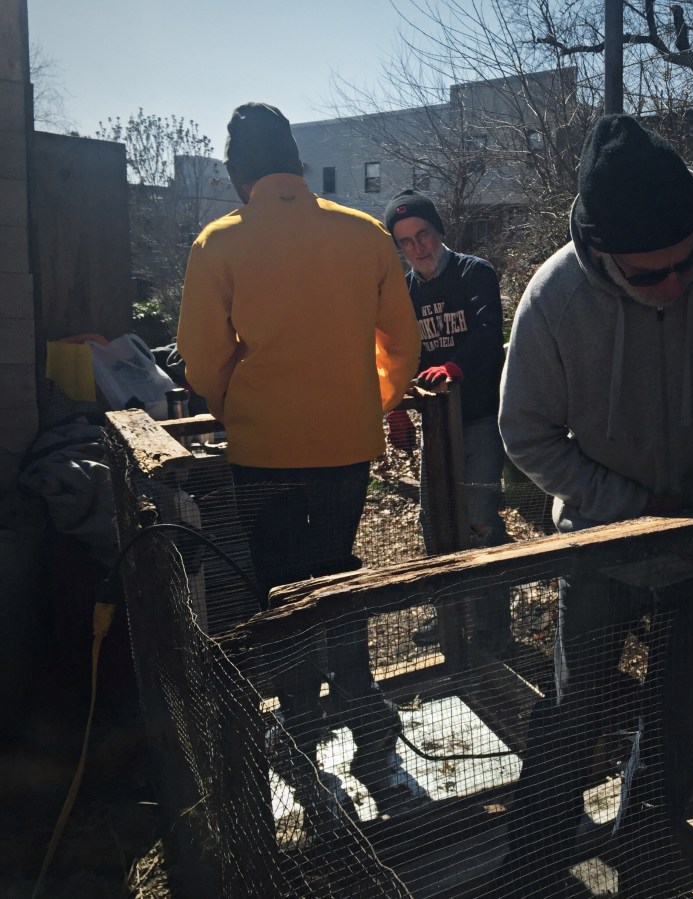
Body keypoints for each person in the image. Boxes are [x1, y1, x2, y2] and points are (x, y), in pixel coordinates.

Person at [496, 113, 693, 896]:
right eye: (648, 276)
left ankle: (643, 859)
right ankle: (533, 864)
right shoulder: (554, 296)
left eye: (687, 262)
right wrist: (636, 506)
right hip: (600, 543)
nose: (672, 285)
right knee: (576, 707)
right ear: (600, 251)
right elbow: (524, 433)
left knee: (680, 715)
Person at [177, 102, 421, 830]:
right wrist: (372, 398)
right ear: (297, 164)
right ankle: (371, 739)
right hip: (348, 448)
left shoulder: (218, 242)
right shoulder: (363, 233)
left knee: (282, 592)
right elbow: (402, 344)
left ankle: (300, 738)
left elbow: (200, 361)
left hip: (263, 452)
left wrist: (235, 408)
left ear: (237, 174)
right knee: (339, 574)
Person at [382, 189, 513, 652]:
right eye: (405, 241)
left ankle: (494, 628)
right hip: (436, 426)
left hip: (481, 418)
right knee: (433, 520)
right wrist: (395, 406)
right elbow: (395, 355)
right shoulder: (402, 292)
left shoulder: (474, 272)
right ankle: (449, 617)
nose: (417, 247)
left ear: (438, 231)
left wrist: (454, 366)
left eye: (422, 234)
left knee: (479, 520)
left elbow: (488, 335)